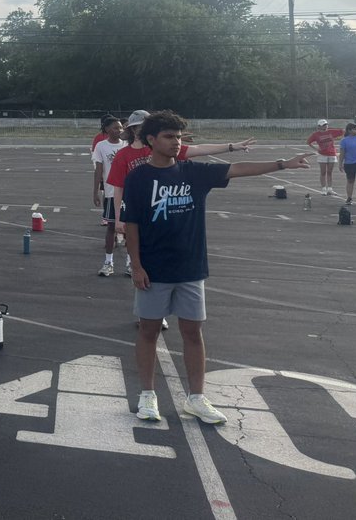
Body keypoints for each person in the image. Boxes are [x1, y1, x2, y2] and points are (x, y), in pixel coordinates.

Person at [125, 110, 309, 424]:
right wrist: (137, 266)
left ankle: (196, 398)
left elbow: (237, 169)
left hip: (191, 268)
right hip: (154, 270)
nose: (176, 142)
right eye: (169, 136)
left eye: (179, 136)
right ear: (151, 140)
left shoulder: (192, 172)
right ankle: (147, 396)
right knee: (148, 331)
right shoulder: (139, 178)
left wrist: (283, 164)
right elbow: (131, 225)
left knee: (193, 332)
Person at [107, 109, 255, 275]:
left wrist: (231, 147)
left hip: (161, 205)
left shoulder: (162, 148)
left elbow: (199, 149)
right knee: (135, 237)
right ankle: (134, 264)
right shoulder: (123, 155)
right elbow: (118, 188)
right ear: (133, 130)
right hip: (138, 206)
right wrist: (119, 217)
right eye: (138, 127)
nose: (142, 129)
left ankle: (137, 265)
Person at [91, 116, 126, 276]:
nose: (119, 130)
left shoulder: (127, 144)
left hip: (130, 193)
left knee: (131, 230)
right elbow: (98, 170)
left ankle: (130, 264)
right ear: (106, 130)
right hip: (112, 193)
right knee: (111, 227)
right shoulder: (101, 146)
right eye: (115, 128)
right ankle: (108, 262)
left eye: (120, 127)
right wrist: (96, 191)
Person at [307, 120, 343, 196]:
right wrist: (317, 149)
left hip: (332, 154)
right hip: (322, 155)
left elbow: (342, 131)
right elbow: (308, 142)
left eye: (326, 124)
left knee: (329, 172)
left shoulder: (331, 132)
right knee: (323, 172)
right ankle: (323, 189)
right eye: (323, 125)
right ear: (319, 126)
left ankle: (330, 189)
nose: (325, 126)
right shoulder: (316, 134)